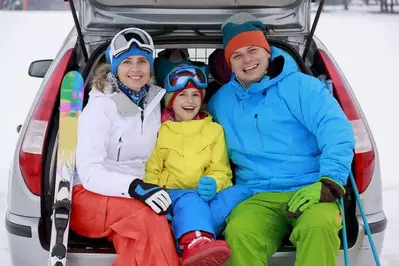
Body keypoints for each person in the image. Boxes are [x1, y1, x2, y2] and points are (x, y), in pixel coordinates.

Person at [207, 12, 356, 266]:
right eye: (237, 55)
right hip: (255, 195)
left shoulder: (302, 87)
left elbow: (336, 130)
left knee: (318, 227)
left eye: (253, 50)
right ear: (228, 63)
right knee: (240, 232)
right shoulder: (220, 103)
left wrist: (329, 182)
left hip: (309, 188)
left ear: (267, 51)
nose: (247, 60)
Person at [70, 27, 180, 266]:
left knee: (137, 246)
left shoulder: (152, 103)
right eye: (127, 61)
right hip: (90, 196)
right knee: (148, 219)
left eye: (142, 61)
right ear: (115, 66)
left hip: (132, 196)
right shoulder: (100, 107)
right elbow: (89, 172)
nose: (135, 69)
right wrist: (134, 188)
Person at [145, 65, 252, 266]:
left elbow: (221, 170)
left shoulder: (213, 130)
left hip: (206, 197)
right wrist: (156, 198)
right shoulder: (161, 131)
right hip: (173, 197)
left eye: (195, 95)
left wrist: (214, 182)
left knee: (242, 192)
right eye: (182, 95)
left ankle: (186, 234)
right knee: (190, 199)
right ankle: (195, 242)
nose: (190, 101)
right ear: (171, 100)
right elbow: (152, 170)